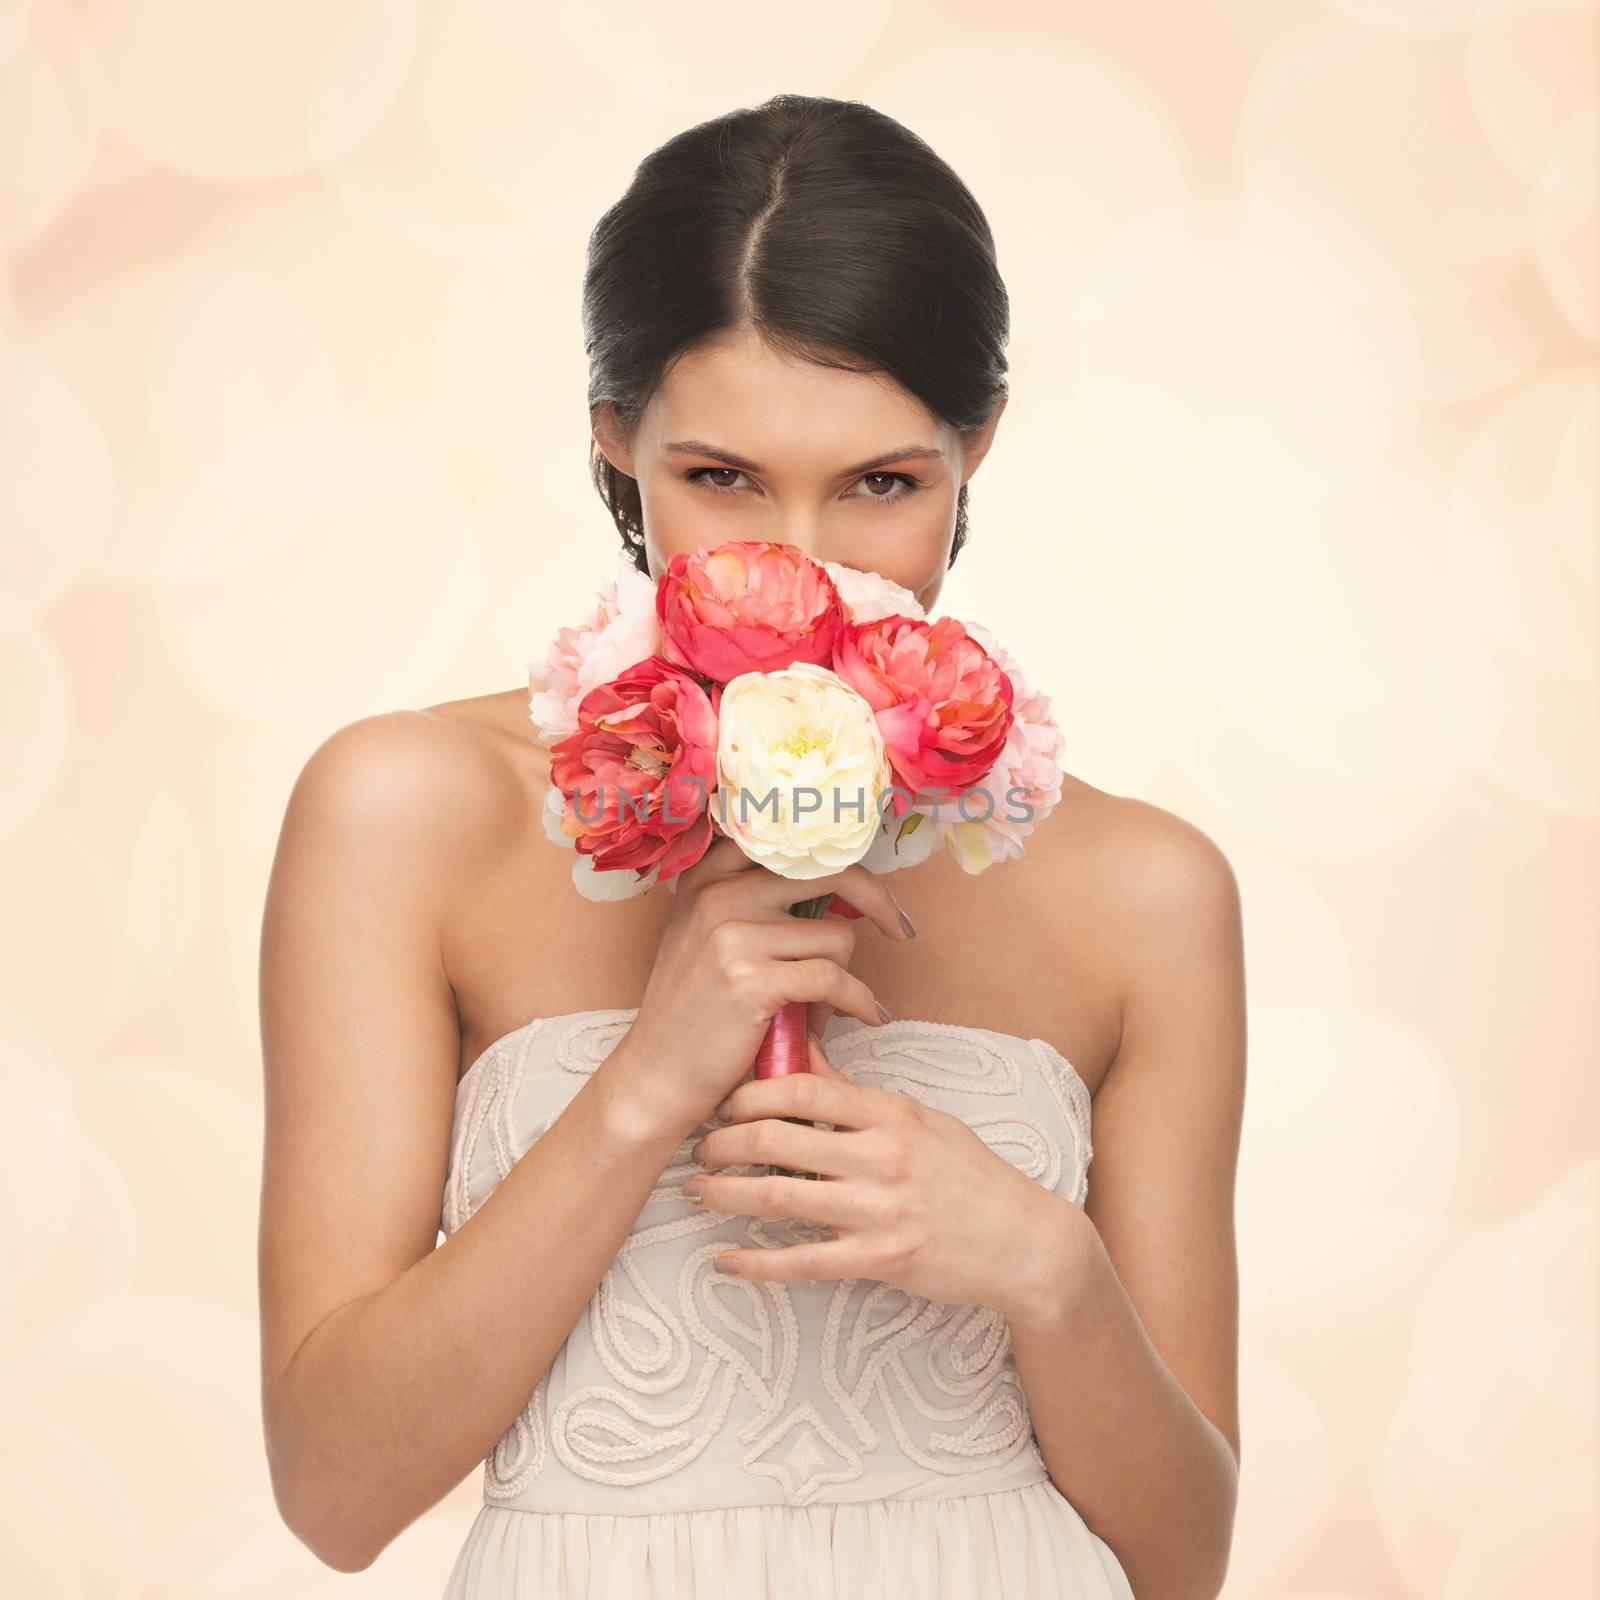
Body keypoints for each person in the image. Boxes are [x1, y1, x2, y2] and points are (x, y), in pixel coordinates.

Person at [258, 93, 1244, 1599]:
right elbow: (335, 1492)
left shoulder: (1146, 893)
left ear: (975, 449)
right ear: (616, 446)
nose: (803, 566)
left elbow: (1183, 1565)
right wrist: (648, 1081)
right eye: (720, 479)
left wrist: (1051, 1273)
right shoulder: (407, 813)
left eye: (883, 485)